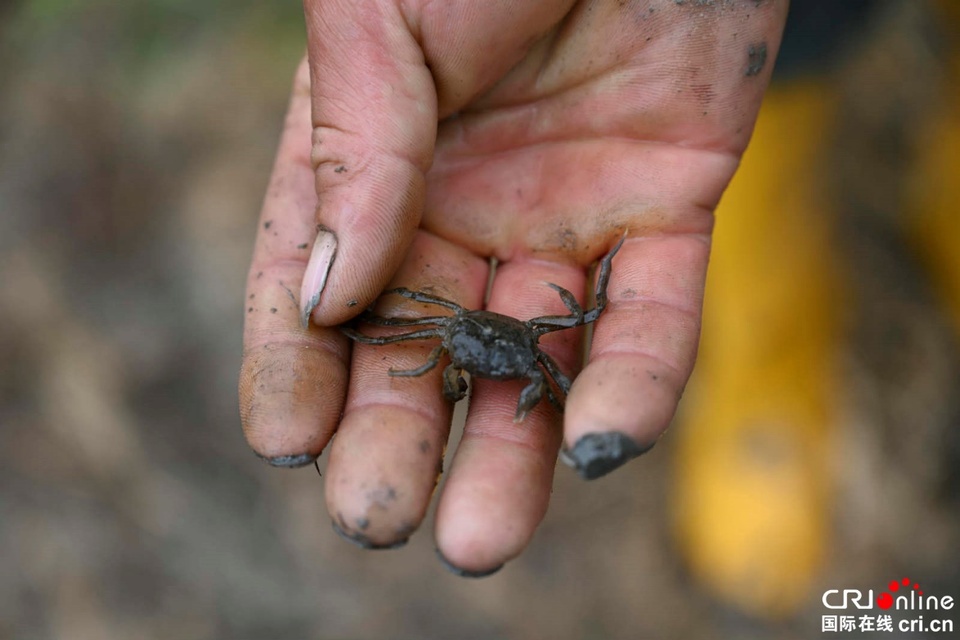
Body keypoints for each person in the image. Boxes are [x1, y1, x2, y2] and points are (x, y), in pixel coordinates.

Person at [239, 0, 789, 578]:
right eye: (472, 362)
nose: (478, 368)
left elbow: (586, 318)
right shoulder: (449, 329)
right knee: (395, 334)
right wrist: (377, 334)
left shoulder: (532, 359)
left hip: (746, 74)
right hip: (472, 323)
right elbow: (418, 326)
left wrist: (556, 372)